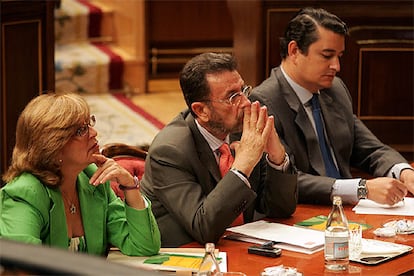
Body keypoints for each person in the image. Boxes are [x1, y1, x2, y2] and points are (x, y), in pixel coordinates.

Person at [250, 7, 414, 206]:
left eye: (339, 56)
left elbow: (369, 149)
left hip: (347, 212)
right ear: (294, 51)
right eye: (327, 55)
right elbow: (287, 179)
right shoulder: (263, 101)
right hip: (301, 214)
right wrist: (361, 189)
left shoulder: (335, 89)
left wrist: (403, 172)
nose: (336, 66)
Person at [140, 52, 297, 247]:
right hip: (187, 257)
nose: (246, 103)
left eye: (243, 90)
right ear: (201, 111)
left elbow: (281, 209)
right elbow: (204, 227)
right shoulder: (169, 151)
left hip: (237, 250)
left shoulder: (241, 130)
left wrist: (277, 157)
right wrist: (242, 166)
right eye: (232, 97)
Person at [0, 93, 161, 256]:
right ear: (53, 146)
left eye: (89, 123)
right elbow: (22, 266)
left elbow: (143, 246)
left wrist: (130, 185)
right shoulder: (25, 194)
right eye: (81, 130)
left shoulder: (92, 178)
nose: (94, 133)